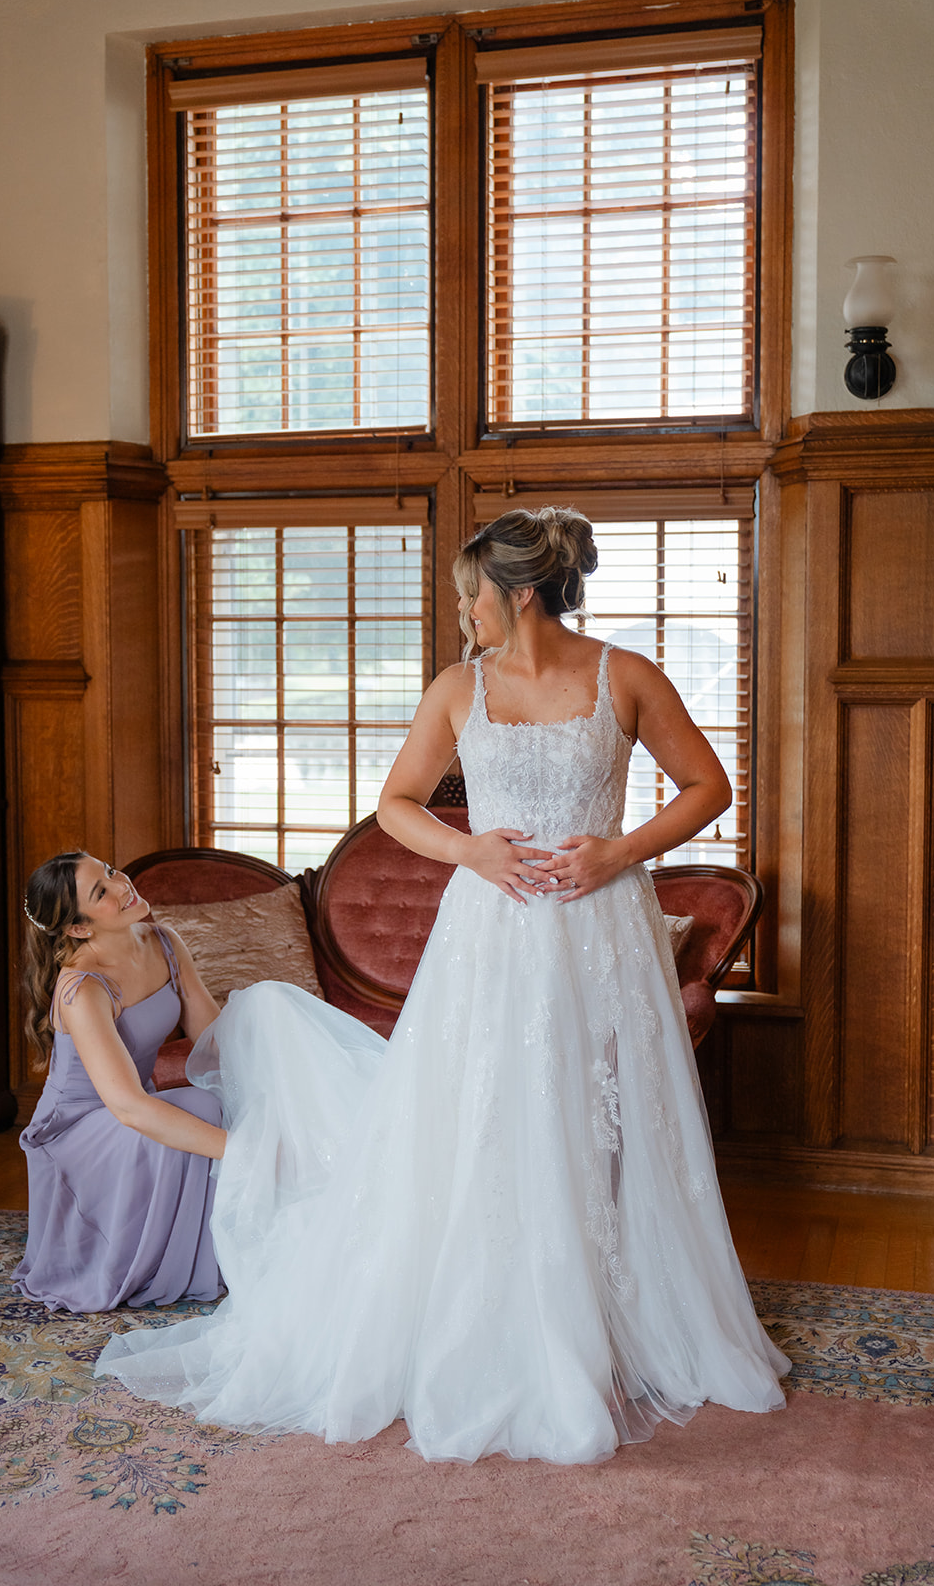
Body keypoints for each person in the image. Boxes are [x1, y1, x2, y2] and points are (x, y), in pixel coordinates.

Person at [97, 507, 788, 1462]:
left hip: (600, 931)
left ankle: (611, 1314)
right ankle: (497, 1314)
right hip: (491, 935)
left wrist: (617, 853)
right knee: (491, 1115)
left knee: (600, 1119)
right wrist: (469, 850)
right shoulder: (458, 687)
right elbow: (395, 804)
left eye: (470, 595)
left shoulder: (622, 675)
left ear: (517, 592)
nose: (462, 613)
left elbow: (709, 787)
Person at [13, 851, 227, 1313]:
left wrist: (272, 1092)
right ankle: (157, 1264)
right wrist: (244, 1151)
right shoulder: (82, 988)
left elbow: (214, 1040)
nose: (121, 885)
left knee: (215, 1104)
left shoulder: (164, 942)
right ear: (79, 928)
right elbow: (129, 1108)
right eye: (101, 892)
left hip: (132, 1104)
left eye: (109, 872)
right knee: (198, 1123)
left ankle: (213, 1254)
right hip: (80, 1128)